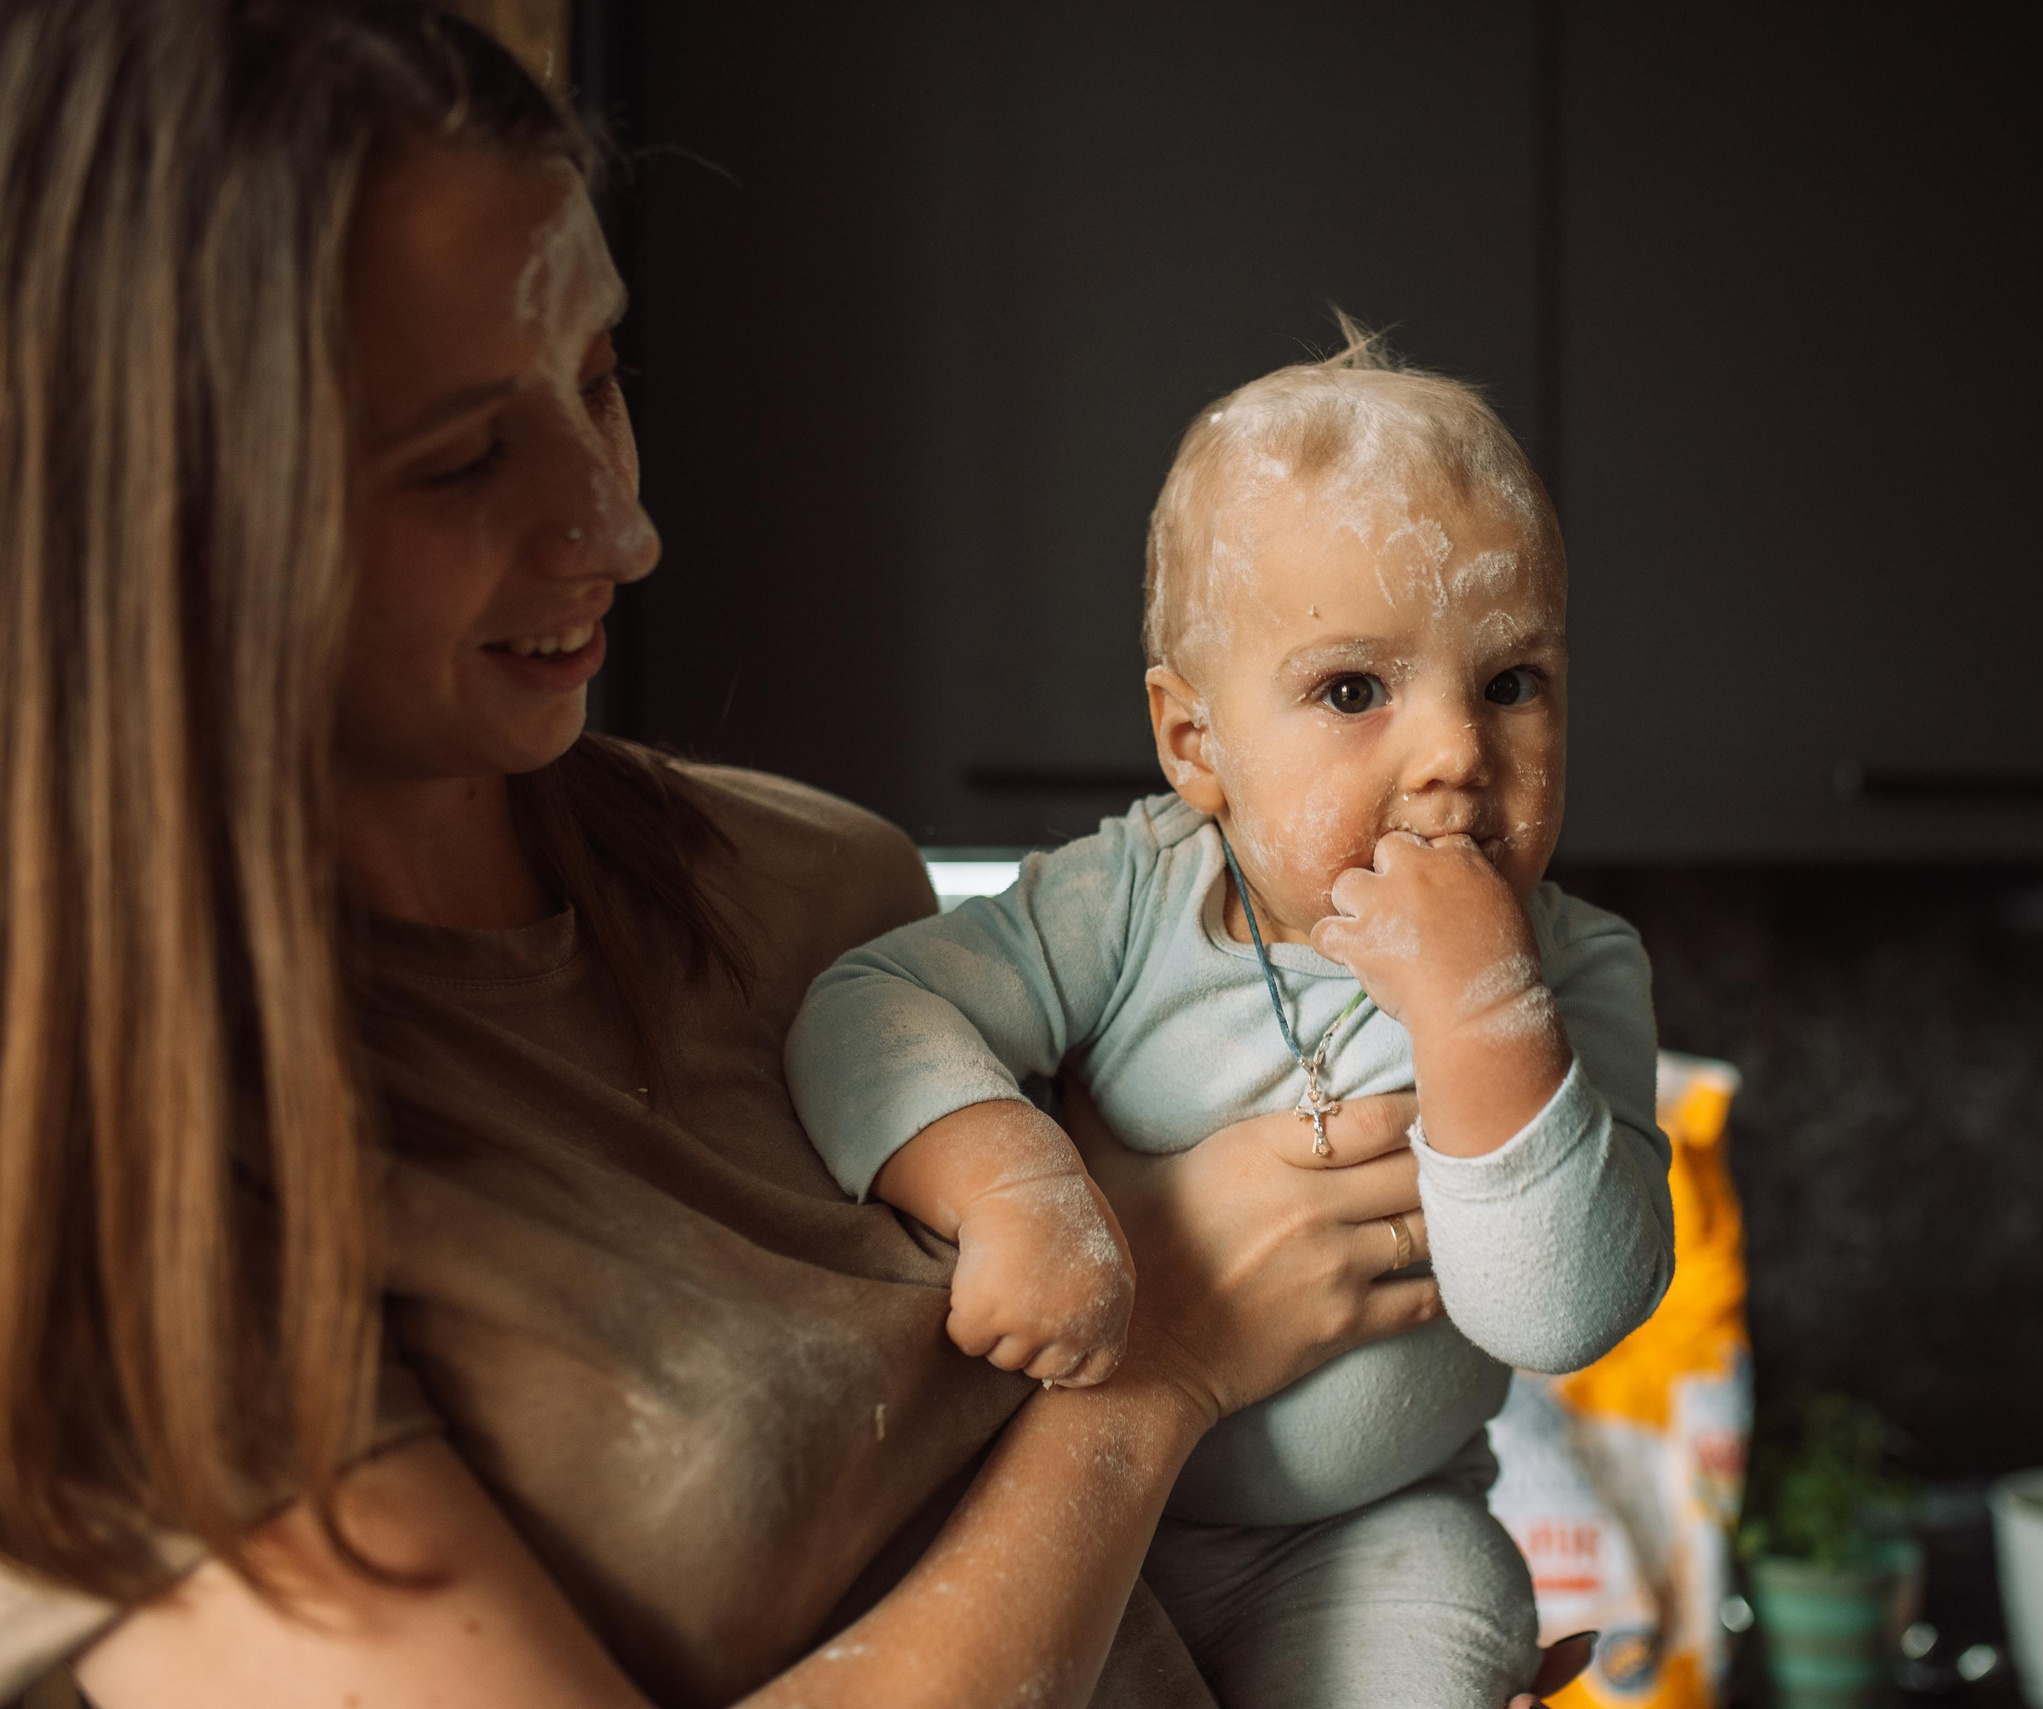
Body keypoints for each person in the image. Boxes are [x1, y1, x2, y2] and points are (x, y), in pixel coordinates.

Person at [0, 4, 1593, 1705]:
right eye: (466, 457)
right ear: (169, 521)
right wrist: (1165, 1364)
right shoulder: (115, 1213)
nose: (623, 524)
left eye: (603, 379)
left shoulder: (812, 897)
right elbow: (1137, 1381)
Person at [783, 332, 1677, 1709]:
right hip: (1071, 1525)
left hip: (1373, 1534)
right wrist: (1013, 1184)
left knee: (1446, 1605)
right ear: (1195, 744)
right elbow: (868, 1008)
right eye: (1352, 690)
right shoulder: (1129, 897)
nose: (1456, 752)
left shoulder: (1569, 969)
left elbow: (1558, 1309)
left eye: (1512, 681)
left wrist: (1481, 1011)